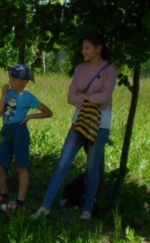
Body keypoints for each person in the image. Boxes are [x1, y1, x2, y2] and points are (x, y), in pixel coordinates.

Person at [32, 34, 117, 220]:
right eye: (83, 47)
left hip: (100, 124)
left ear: (98, 48)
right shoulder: (79, 69)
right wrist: (93, 98)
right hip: (79, 121)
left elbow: (106, 98)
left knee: (92, 167)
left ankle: (87, 210)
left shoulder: (110, 69)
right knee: (62, 163)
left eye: (87, 47)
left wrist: (84, 96)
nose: (83, 51)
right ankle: (45, 206)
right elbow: (71, 97)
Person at [0, 64, 53, 212]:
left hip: (19, 131)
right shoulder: (9, 93)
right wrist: (3, 95)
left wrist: (31, 115)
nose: (11, 80)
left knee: (21, 167)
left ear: (24, 81)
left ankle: (20, 202)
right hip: (6, 130)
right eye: (10, 77)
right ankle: (3, 195)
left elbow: (48, 112)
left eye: (14, 78)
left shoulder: (28, 97)